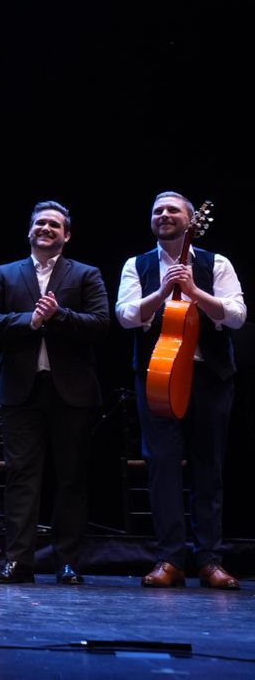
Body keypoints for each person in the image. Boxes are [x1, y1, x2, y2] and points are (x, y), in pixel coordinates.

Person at [0, 201, 110, 585]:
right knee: (22, 476)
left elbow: (101, 324)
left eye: (54, 224)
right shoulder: (4, 273)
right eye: (40, 223)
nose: (46, 228)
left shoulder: (86, 274)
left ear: (66, 234)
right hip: (21, 391)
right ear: (29, 231)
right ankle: (19, 560)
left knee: (71, 478)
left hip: (73, 393)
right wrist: (29, 321)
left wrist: (59, 316)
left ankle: (68, 562)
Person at [116, 191, 245, 590]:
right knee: (163, 467)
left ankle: (209, 560)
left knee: (209, 468)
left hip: (209, 378)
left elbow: (237, 316)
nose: (164, 215)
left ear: (191, 221)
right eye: (157, 211)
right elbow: (125, 316)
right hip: (159, 376)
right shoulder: (137, 264)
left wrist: (194, 290)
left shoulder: (216, 263)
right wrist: (162, 291)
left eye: (173, 210)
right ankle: (170, 559)